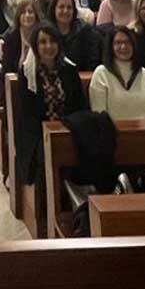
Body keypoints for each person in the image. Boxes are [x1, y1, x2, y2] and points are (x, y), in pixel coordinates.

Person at [14, 23, 87, 188]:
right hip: (37, 134)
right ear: (36, 46)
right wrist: (49, 133)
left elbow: (80, 105)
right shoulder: (27, 74)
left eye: (53, 41)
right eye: (43, 42)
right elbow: (26, 114)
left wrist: (67, 130)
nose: (48, 46)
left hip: (69, 129)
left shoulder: (69, 70)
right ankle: (49, 201)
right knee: (46, 154)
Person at [89, 27, 145, 121]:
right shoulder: (101, 74)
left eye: (128, 42)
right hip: (112, 129)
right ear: (110, 47)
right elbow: (99, 116)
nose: (123, 47)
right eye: (118, 43)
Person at [49, 0, 102, 71]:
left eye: (69, 8)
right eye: (61, 7)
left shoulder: (86, 31)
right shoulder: (47, 31)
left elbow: (93, 62)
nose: (65, 11)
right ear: (54, 9)